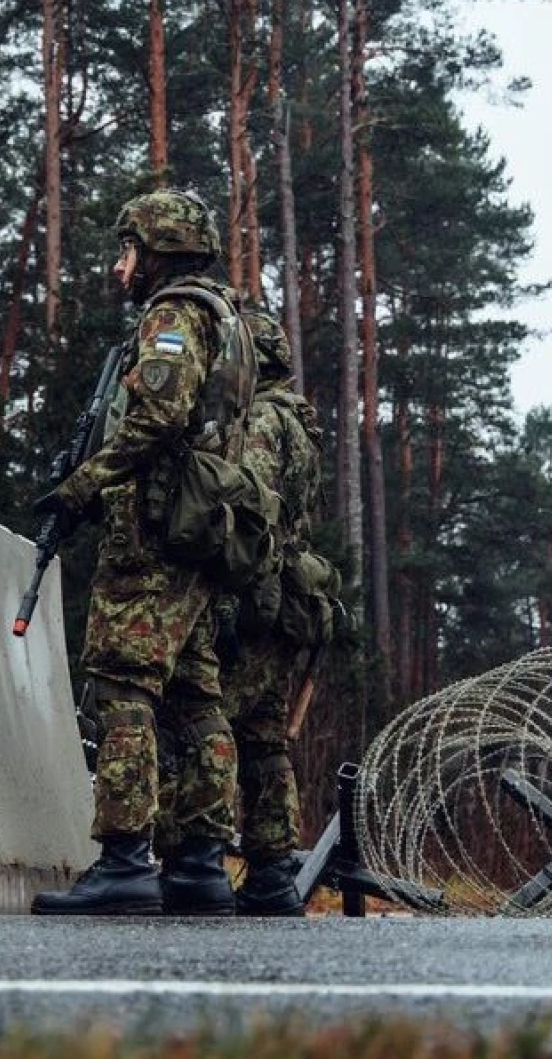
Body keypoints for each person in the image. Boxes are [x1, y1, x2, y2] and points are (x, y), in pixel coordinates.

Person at [29, 188, 247, 916]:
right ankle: (201, 866)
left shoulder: (175, 316)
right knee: (194, 700)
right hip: (194, 538)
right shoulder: (225, 318)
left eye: (128, 251)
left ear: (157, 251)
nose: (120, 267)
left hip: (153, 538)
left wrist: (82, 486)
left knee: (124, 686)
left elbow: (157, 413)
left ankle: (124, 861)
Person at [221, 310, 325, 916]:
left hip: (257, 597)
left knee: (208, 723)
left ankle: (197, 860)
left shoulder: (261, 418)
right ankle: (272, 870)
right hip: (285, 598)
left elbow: (248, 505)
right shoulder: (299, 421)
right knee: (264, 740)